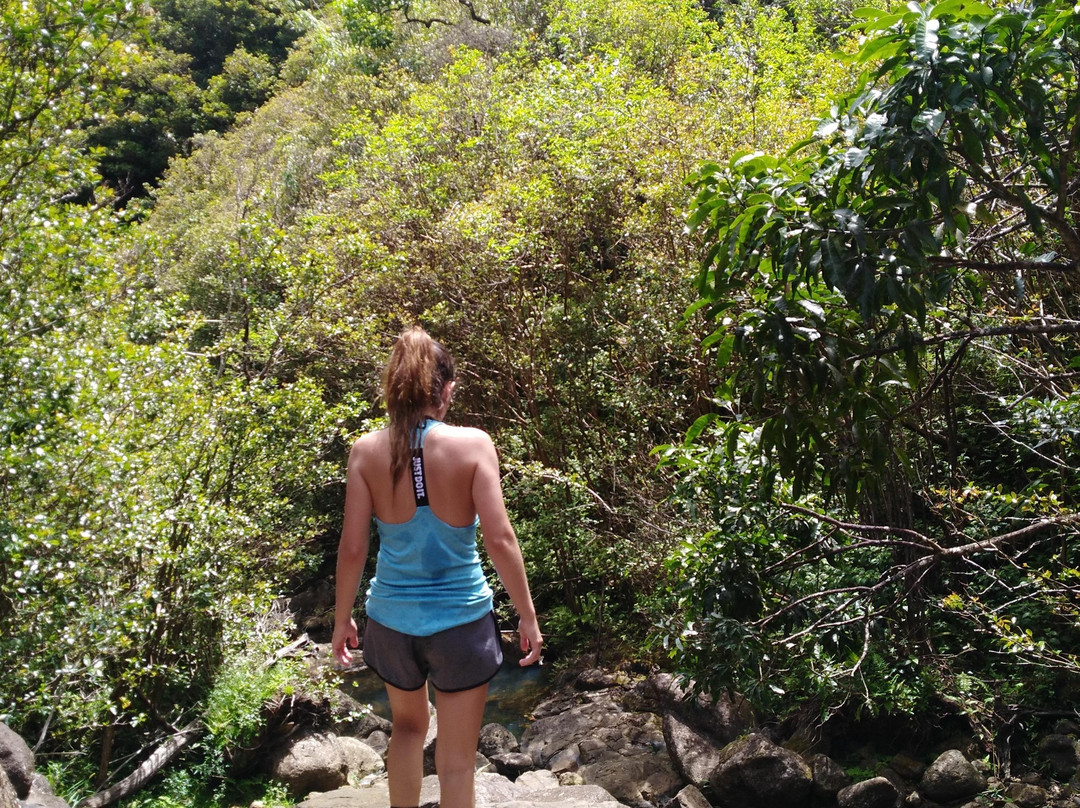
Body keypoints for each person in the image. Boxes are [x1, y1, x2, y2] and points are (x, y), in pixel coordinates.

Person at [332, 326, 543, 808]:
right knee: (456, 761)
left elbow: (351, 548)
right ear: (446, 391)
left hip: (390, 621)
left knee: (406, 730)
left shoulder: (365, 452)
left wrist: (342, 617)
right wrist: (526, 614)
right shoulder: (472, 445)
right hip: (461, 624)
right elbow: (500, 538)